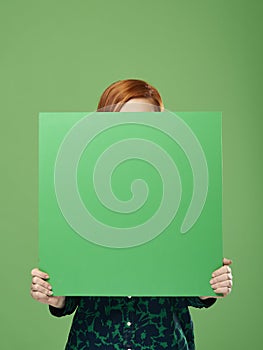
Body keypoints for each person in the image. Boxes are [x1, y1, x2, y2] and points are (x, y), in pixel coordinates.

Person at [31, 79, 233, 350]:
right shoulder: (77, 191)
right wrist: (56, 297)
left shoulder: (183, 192)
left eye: (146, 125)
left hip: (164, 341)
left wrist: (210, 284)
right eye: (120, 124)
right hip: (94, 342)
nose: (132, 134)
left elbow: (194, 292)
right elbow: (71, 293)